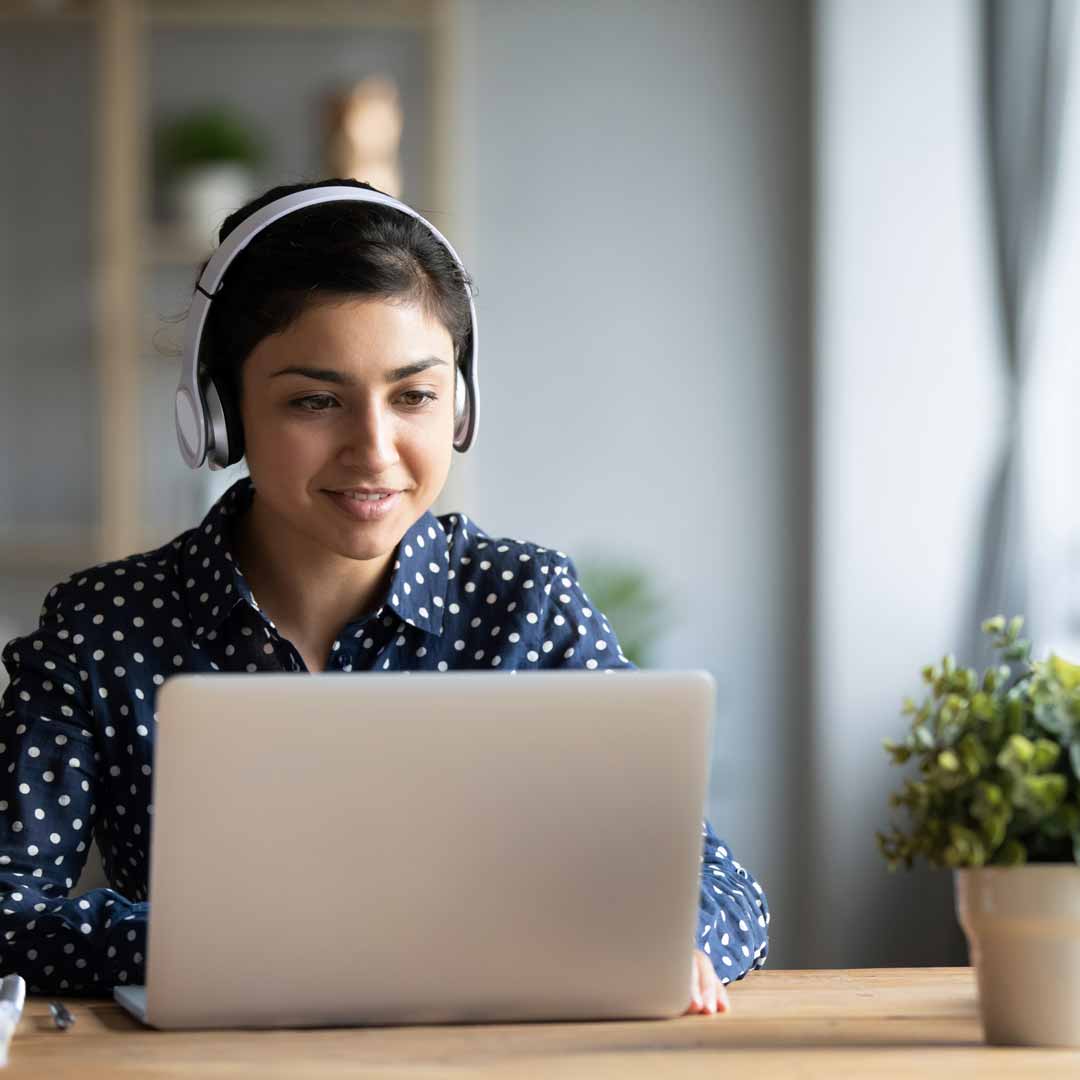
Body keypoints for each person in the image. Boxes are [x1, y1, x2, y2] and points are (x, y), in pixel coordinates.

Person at [0, 179, 769, 1016]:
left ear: (461, 405)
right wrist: (253, 941)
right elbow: (7, 913)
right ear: (222, 414)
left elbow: (724, 889)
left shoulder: (526, 603)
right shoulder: (104, 627)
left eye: (414, 396)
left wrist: (675, 938)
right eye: (314, 400)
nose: (374, 450)